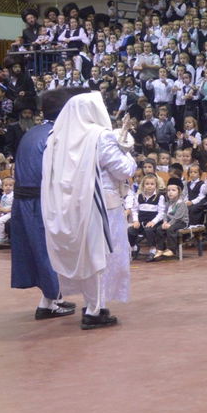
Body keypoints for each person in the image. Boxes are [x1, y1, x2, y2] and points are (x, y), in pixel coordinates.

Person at [41, 92, 137, 330]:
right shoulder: (99, 136)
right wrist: (127, 152)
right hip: (101, 204)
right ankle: (95, 310)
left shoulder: (55, 137)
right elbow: (123, 170)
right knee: (103, 255)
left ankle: (91, 303)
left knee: (84, 254)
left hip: (67, 206)